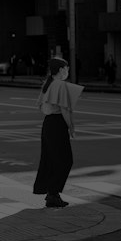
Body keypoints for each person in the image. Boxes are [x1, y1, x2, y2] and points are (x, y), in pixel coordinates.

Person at [33, 57, 83, 208]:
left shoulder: (48, 84)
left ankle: (52, 194)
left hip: (48, 123)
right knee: (65, 160)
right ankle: (53, 193)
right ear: (61, 70)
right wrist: (71, 126)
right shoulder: (60, 85)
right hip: (57, 124)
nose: (68, 71)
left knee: (51, 159)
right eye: (66, 68)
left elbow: (40, 106)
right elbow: (65, 110)